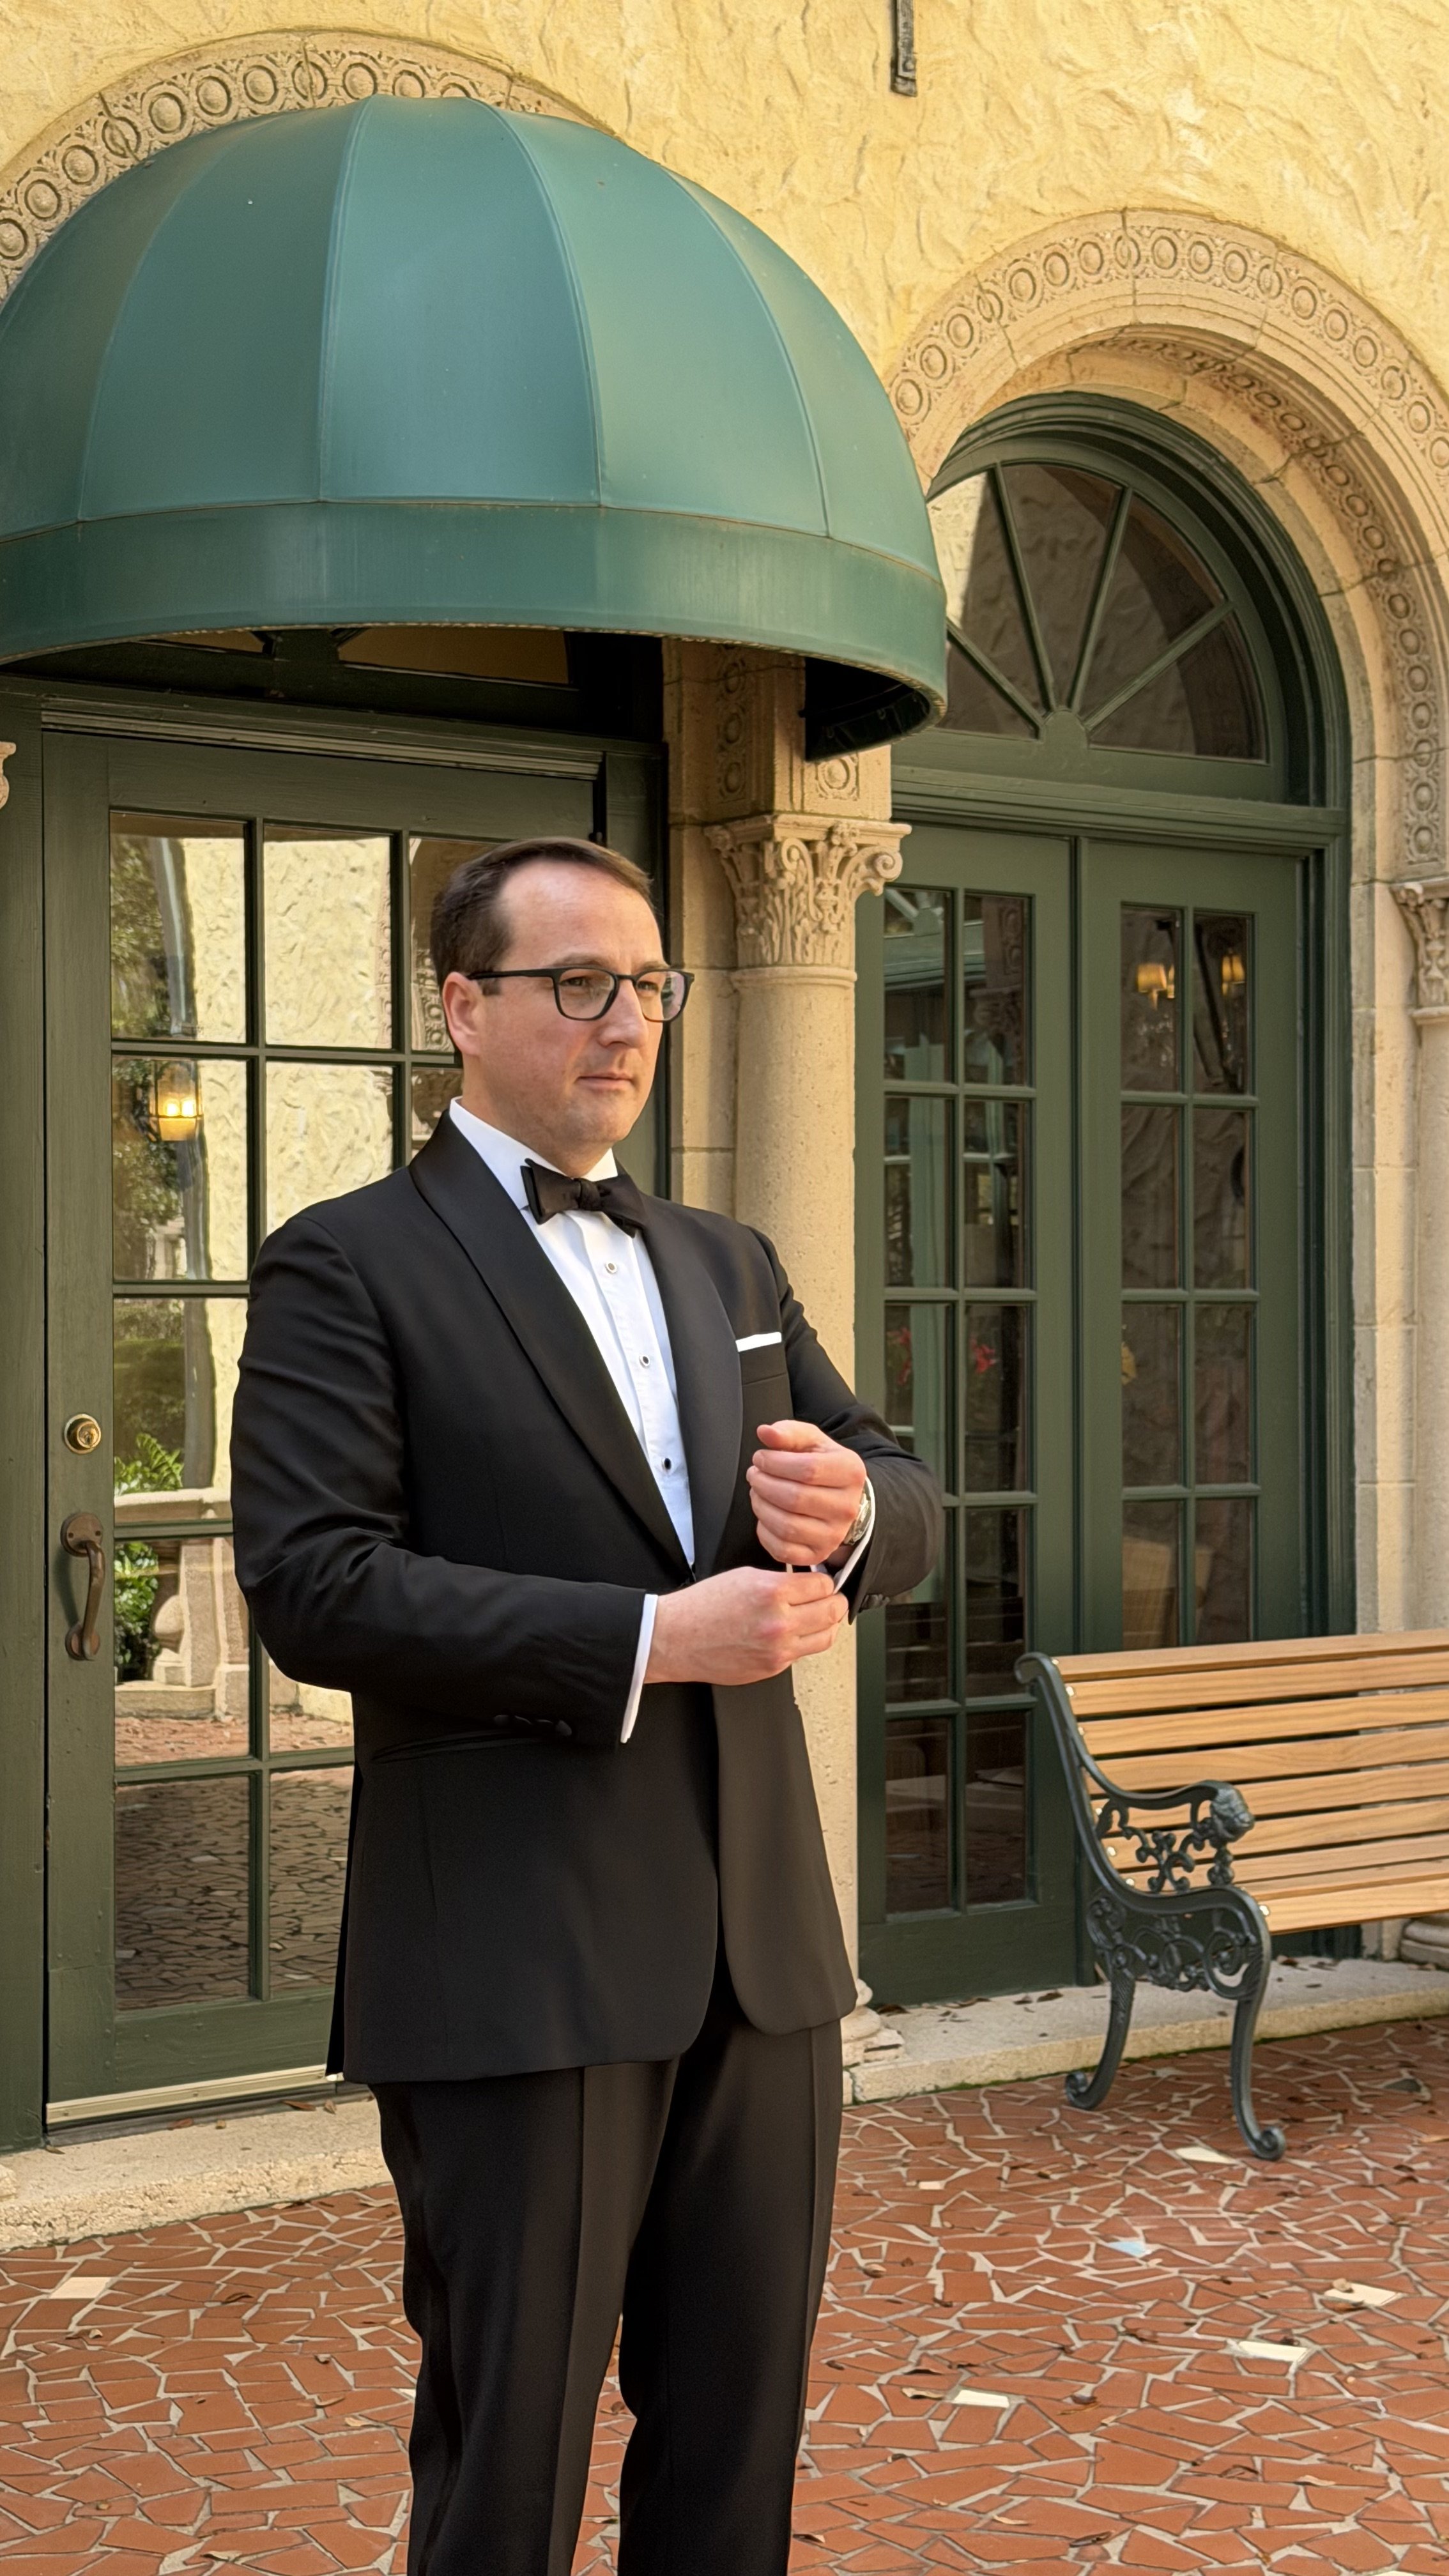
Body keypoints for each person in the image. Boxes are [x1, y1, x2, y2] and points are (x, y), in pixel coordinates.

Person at [231, 836, 941, 2576]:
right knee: (508, 2466)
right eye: (575, 983)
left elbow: (899, 1479)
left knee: (734, 2451)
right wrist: (647, 1637)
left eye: (647, 984)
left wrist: (855, 1522)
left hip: (759, 1958)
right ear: (460, 1006)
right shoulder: (347, 1264)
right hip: (512, 1957)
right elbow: (314, 1584)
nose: (624, 1021)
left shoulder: (723, 1258)